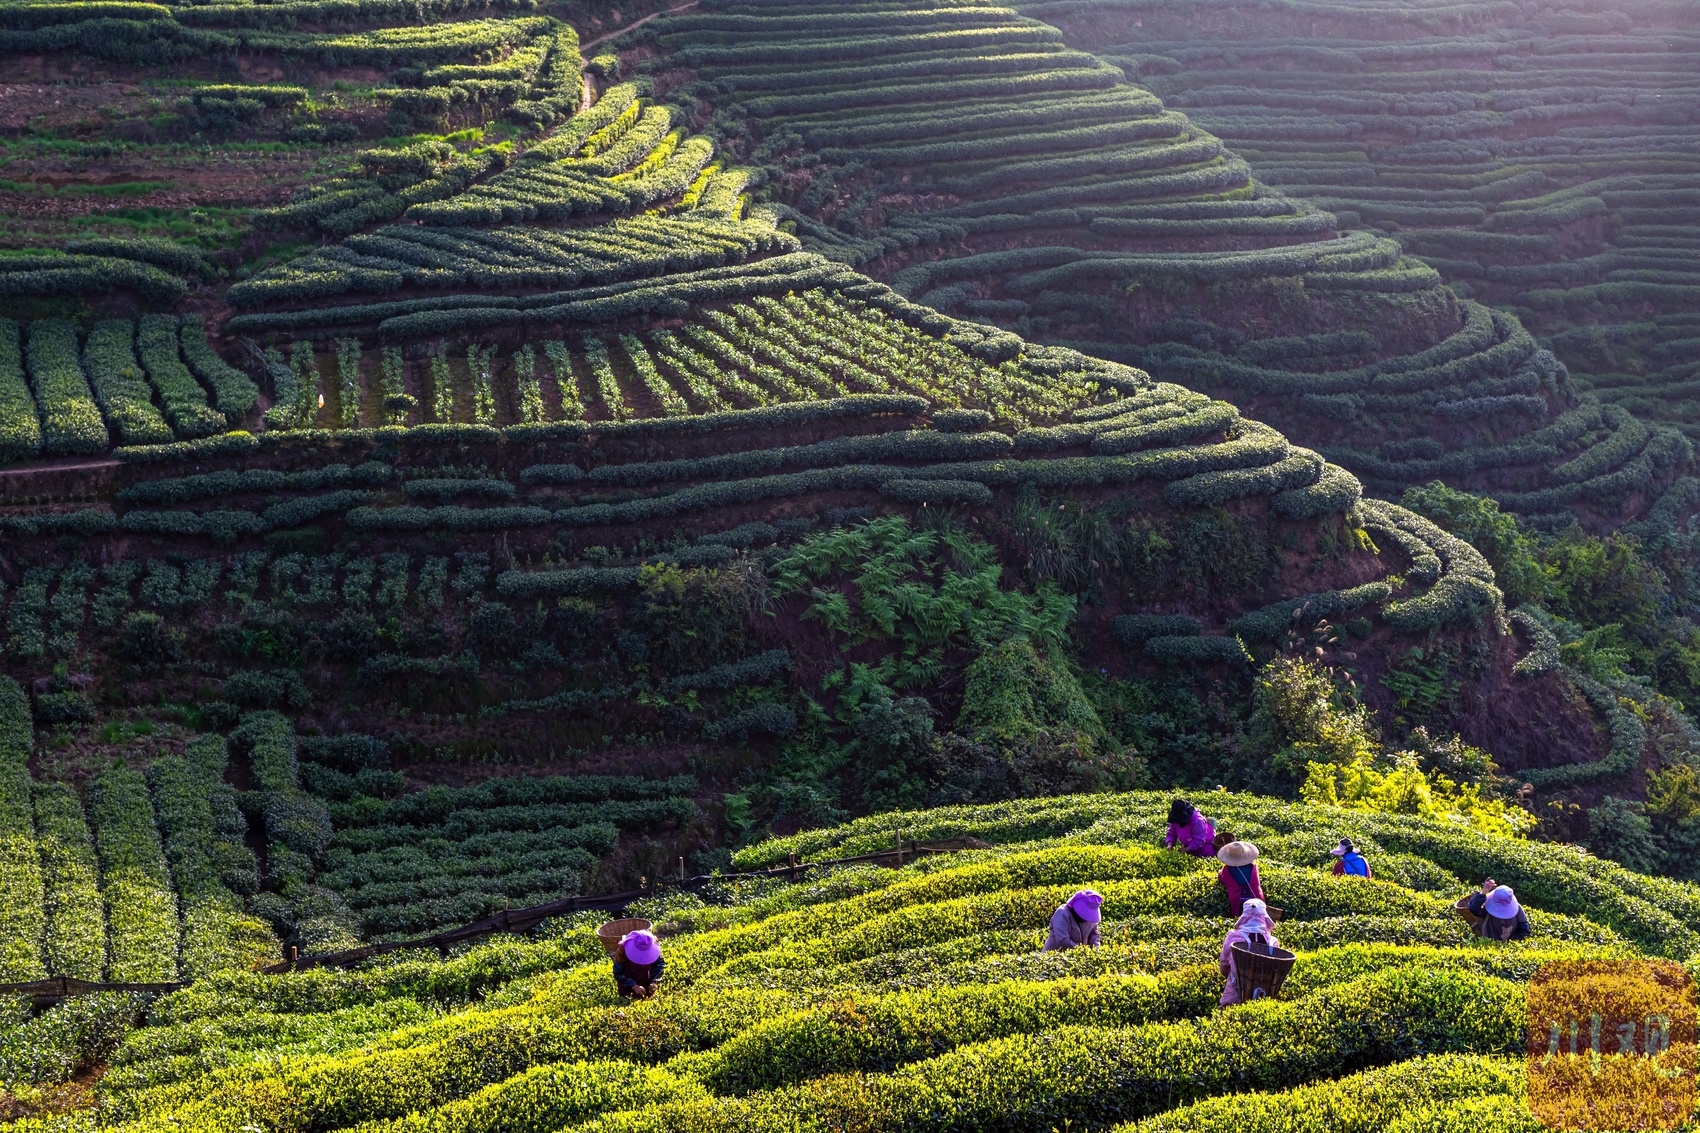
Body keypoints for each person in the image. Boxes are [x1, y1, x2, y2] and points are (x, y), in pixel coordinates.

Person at [1219, 898, 1279, 1006]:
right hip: (1263, 997)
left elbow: (1224, 967)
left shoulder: (1233, 937)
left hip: (1234, 996)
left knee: (1225, 1015)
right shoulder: (1272, 942)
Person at [1465, 879, 1531, 941]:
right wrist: (1483, 892)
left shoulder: (1517, 908)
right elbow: (1473, 908)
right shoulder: (1489, 907)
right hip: (1490, 943)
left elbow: (1524, 930)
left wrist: (1511, 940)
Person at [1217, 840, 1264, 916]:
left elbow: (1221, 878)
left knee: (1241, 919)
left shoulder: (1228, 870)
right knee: (1259, 918)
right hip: (1256, 897)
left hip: (1238, 900)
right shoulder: (1253, 866)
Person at [614, 929, 665, 998]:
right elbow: (618, 973)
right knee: (627, 1000)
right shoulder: (622, 948)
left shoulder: (652, 944)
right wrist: (633, 985)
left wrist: (654, 981)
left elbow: (659, 964)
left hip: (645, 981)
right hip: (627, 985)